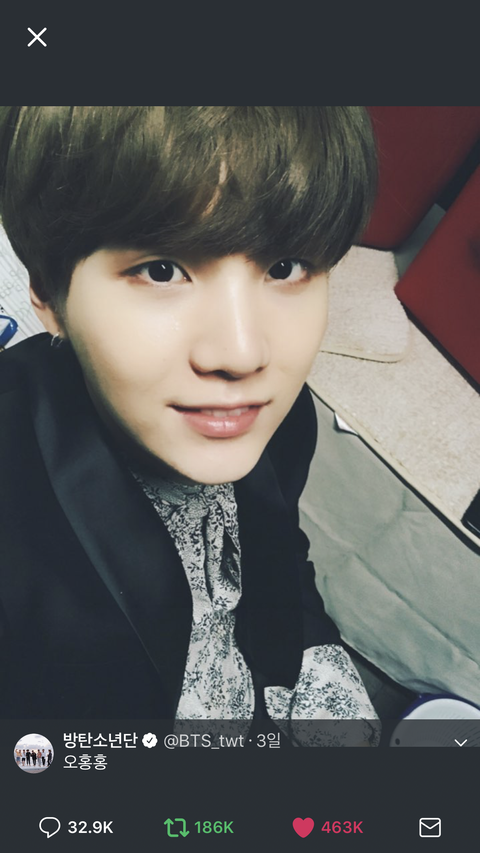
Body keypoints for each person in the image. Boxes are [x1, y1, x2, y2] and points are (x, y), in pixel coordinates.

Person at [0, 107, 377, 726]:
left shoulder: (276, 414)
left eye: (285, 267)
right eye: (162, 270)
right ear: (47, 294)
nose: (243, 354)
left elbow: (275, 545)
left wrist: (309, 647)